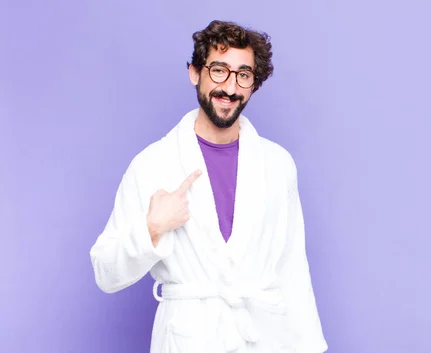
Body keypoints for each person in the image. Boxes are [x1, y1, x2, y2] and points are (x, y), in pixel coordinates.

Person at [89, 20, 328, 353]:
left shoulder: (277, 164)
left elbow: (292, 271)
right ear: (194, 73)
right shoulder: (153, 164)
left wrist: (310, 347)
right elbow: (105, 272)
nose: (230, 87)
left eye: (243, 75)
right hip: (190, 338)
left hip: (264, 338)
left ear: (253, 84)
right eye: (219, 70)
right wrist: (152, 229)